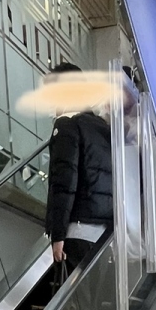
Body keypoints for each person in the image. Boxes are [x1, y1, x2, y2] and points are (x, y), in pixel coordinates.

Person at [44, 63, 113, 270]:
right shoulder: (102, 128)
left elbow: (64, 182)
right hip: (104, 233)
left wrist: (58, 235)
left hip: (77, 231)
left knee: (78, 291)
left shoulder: (66, 125)